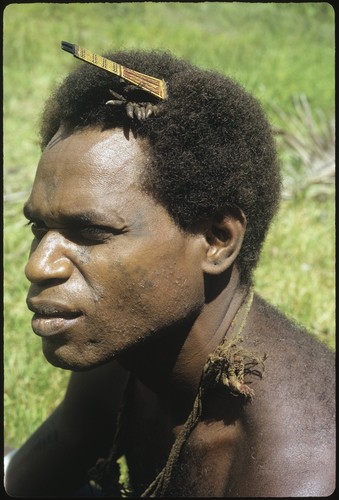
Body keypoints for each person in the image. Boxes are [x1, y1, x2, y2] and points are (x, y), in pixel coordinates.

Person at [4, 44, 335, 497]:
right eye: (39, 227)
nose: (38, 265)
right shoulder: (126, 357)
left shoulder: (295, 472)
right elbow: (26, 483)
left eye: (90, 232)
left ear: (218, 239)